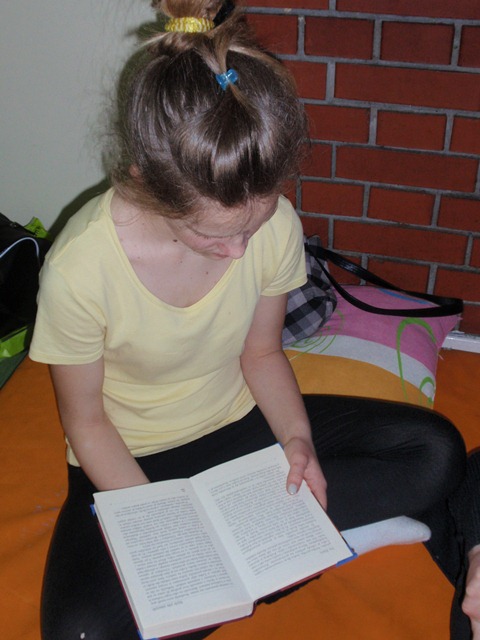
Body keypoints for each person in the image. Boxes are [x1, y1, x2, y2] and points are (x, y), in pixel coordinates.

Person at [29, 1, 473, 638]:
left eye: (254, 226)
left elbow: (261, 353)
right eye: (215, 236)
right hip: (130, 457)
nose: (240, 252)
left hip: (240, 428)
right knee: (81, 632)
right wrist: (163, 521)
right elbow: (88, 423)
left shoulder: (273, 225)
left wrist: (296, 439)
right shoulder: (79, 268)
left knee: (435, 452)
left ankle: (271, 546)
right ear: (151, 184)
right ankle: (303, 546)